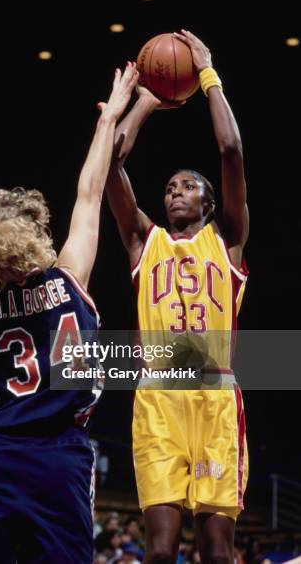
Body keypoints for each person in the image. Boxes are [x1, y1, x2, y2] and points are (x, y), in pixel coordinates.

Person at [0, 64, 139, 563]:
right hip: (59, 455)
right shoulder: (69, 277)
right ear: (39, 232)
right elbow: (89, 194)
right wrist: (107, 119)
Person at [106, 30, 249, 563]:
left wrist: (207, 75)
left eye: (187, 185)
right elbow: (112, 166)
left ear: (209, 202)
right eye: (168, 187)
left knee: (216, 550)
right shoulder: (145, 240)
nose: (174, 191)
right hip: (159, 399)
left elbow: (231, 150)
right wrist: (144, 102)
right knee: (160, 550)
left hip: (215, 399)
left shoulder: (228, 241)